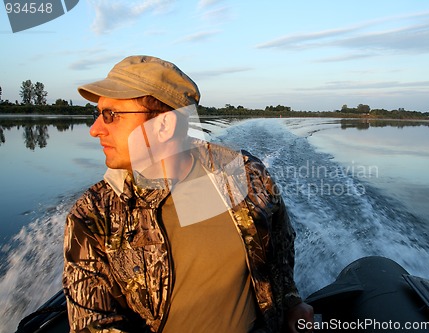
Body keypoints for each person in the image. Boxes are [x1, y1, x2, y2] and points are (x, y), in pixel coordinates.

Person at [62, 55, 313, 333]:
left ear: (164, 126)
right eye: (98, 114)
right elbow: (93, 324)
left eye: (111, 115)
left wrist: (291, 300)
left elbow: (280, 240)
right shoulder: (93, 215)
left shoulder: (244, 173)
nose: (95, 130)